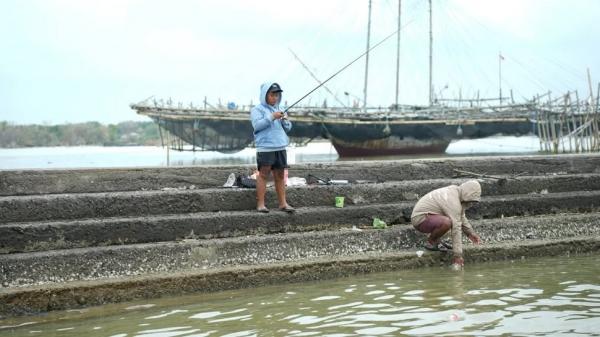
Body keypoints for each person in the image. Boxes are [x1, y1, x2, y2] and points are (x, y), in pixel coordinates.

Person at [411, 180, 483, 268]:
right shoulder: (453, 199)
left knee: (449, 221)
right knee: (447, 222)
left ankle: (437, 241)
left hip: (429, 217)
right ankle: (431, 242)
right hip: (420, 219)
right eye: (471, 200)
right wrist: (458, 256)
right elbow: (456, 228)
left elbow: (461, 217)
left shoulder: (456, 194)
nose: (471, 204)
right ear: (467, 194)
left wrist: (471, 234)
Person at [250, 82, 295, 213]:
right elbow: (257, 126)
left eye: (277, 95)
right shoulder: (257, 110)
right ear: (265, 95)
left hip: (280, 146)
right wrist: (271, 117)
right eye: (272, 95)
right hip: (265, 148)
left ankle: (283, 204)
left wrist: (285, 120)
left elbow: (288, 128)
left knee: (280, 175)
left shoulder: (280, 108)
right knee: (263, 174)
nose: (275, 98)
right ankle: (261, 205)